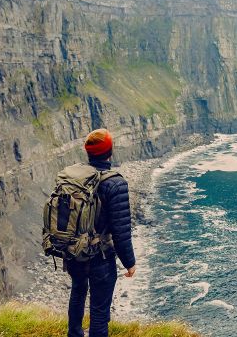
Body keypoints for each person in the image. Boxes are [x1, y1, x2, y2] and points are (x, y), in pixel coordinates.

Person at [66, 128, 136, 337]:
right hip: (100, 257)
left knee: (78, 291)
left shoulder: (75, 178)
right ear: (110, 152)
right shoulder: (115, 183)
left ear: (88, 153)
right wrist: (129, 263)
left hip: (74, 251)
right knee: (99, 311)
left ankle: (74, 334)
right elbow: (121, 231)